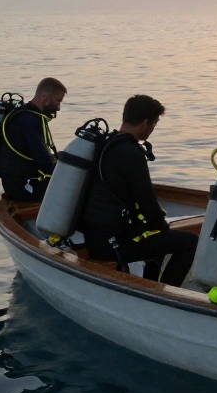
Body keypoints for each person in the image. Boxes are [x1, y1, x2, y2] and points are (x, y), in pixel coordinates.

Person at [80, 95, 196, 287]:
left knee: (156, 234)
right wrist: (162, 228)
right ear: (145, 123)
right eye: (154, 124)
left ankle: (150, 284)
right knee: (189, 242)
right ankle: (165, 294)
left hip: (95, 236)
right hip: (113, 244)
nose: (152, 129)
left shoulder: (105, 144)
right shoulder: (132, 154)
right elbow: (147, 203)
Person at [0, 77, 65, 202]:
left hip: (20, 180)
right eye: (57, 101)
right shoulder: (30, 121)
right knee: (69, 192)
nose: (59, 107)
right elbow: (41, 158)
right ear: (45, 98)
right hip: (20, 186)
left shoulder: (26, 113)